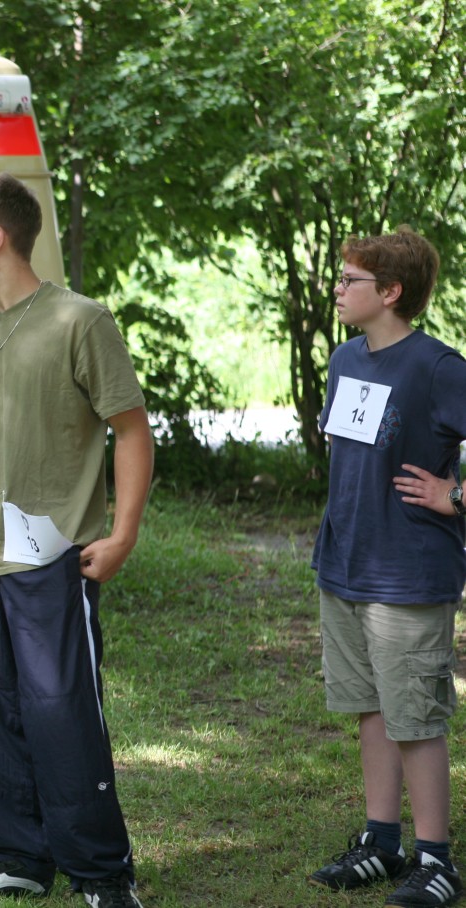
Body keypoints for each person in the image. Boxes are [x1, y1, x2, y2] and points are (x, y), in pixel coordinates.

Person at [0, 174, 153, 907]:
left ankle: (101, 871)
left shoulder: (79, 320)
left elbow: (131, 430)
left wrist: (122, 535)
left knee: (63, 713)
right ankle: (16, 856)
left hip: (53, 559)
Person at [306, 226, 466, 908]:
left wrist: (453, 495)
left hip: (409, 574)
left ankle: (435, 861)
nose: (337, 289)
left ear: (391, 292)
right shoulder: (344, 358)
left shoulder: (437, 367)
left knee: (414, 719)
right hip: (345, 566)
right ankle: (382, 842)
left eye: (350, 281)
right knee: (370, 708)